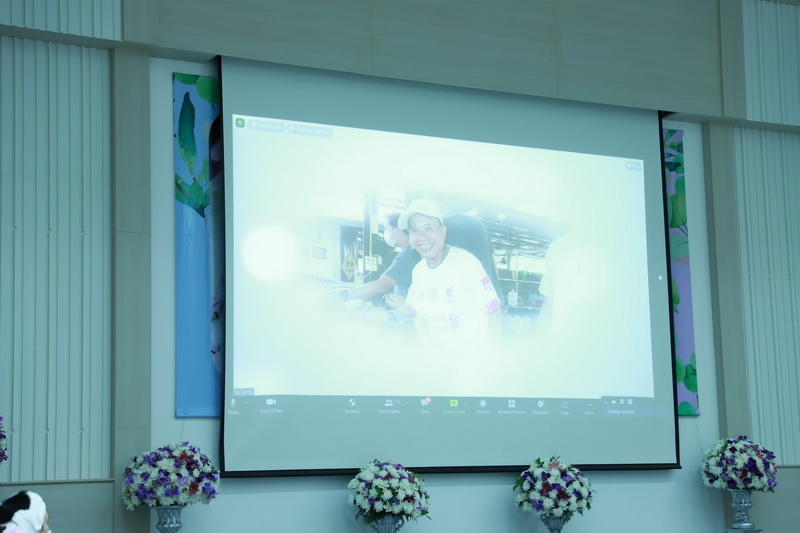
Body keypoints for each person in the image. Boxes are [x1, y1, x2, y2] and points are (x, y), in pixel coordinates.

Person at [395, 199, 502, 355]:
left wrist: (493, 354)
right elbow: (418, 310)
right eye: (415, 230)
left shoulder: (466, 263)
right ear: (410, 237)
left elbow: (494, 310)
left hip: (470, 359)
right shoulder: (419, 271)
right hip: (439, 359)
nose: (422, 236)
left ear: (443, 232)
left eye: (428, 228)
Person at [331, 212, 419, 308]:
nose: (386, 232)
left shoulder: (407, 255)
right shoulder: (411, 252)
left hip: (410, 312)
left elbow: (381, 285)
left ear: (397, 230)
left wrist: (343, 295)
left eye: (386, 228)